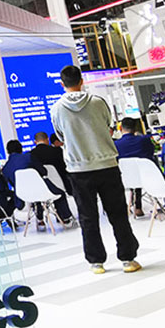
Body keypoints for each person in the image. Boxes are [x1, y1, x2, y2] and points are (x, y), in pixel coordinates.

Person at [51, 65, 141, 274]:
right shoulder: (98, 102)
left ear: (62, 84)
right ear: (82, 81)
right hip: (107, 165)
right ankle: (128, 259)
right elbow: (109, 126)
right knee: (118, 214)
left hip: (78, 169)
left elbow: (61, 136)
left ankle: (96, 262)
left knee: (87, 216)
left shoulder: (57, 108)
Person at [2, 140, 74, 225]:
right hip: (41, 190)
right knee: (60, 193)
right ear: (20, 149)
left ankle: (40, 219)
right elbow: (43, 171)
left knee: (36, 198)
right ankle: (65, 218)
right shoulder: (28, 157)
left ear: (7, 151)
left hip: (23, 195)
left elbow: (11, 184)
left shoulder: (5, 168)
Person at [114, 117, 154, 217]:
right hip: (147, 176)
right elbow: (151, 154)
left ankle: (131, 204)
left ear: (121, 128)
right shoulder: (144, 140)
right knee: (138, 171)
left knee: (132, 173)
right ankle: (138, 206)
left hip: (125, 178)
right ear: (135, 128)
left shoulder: (116, 144)